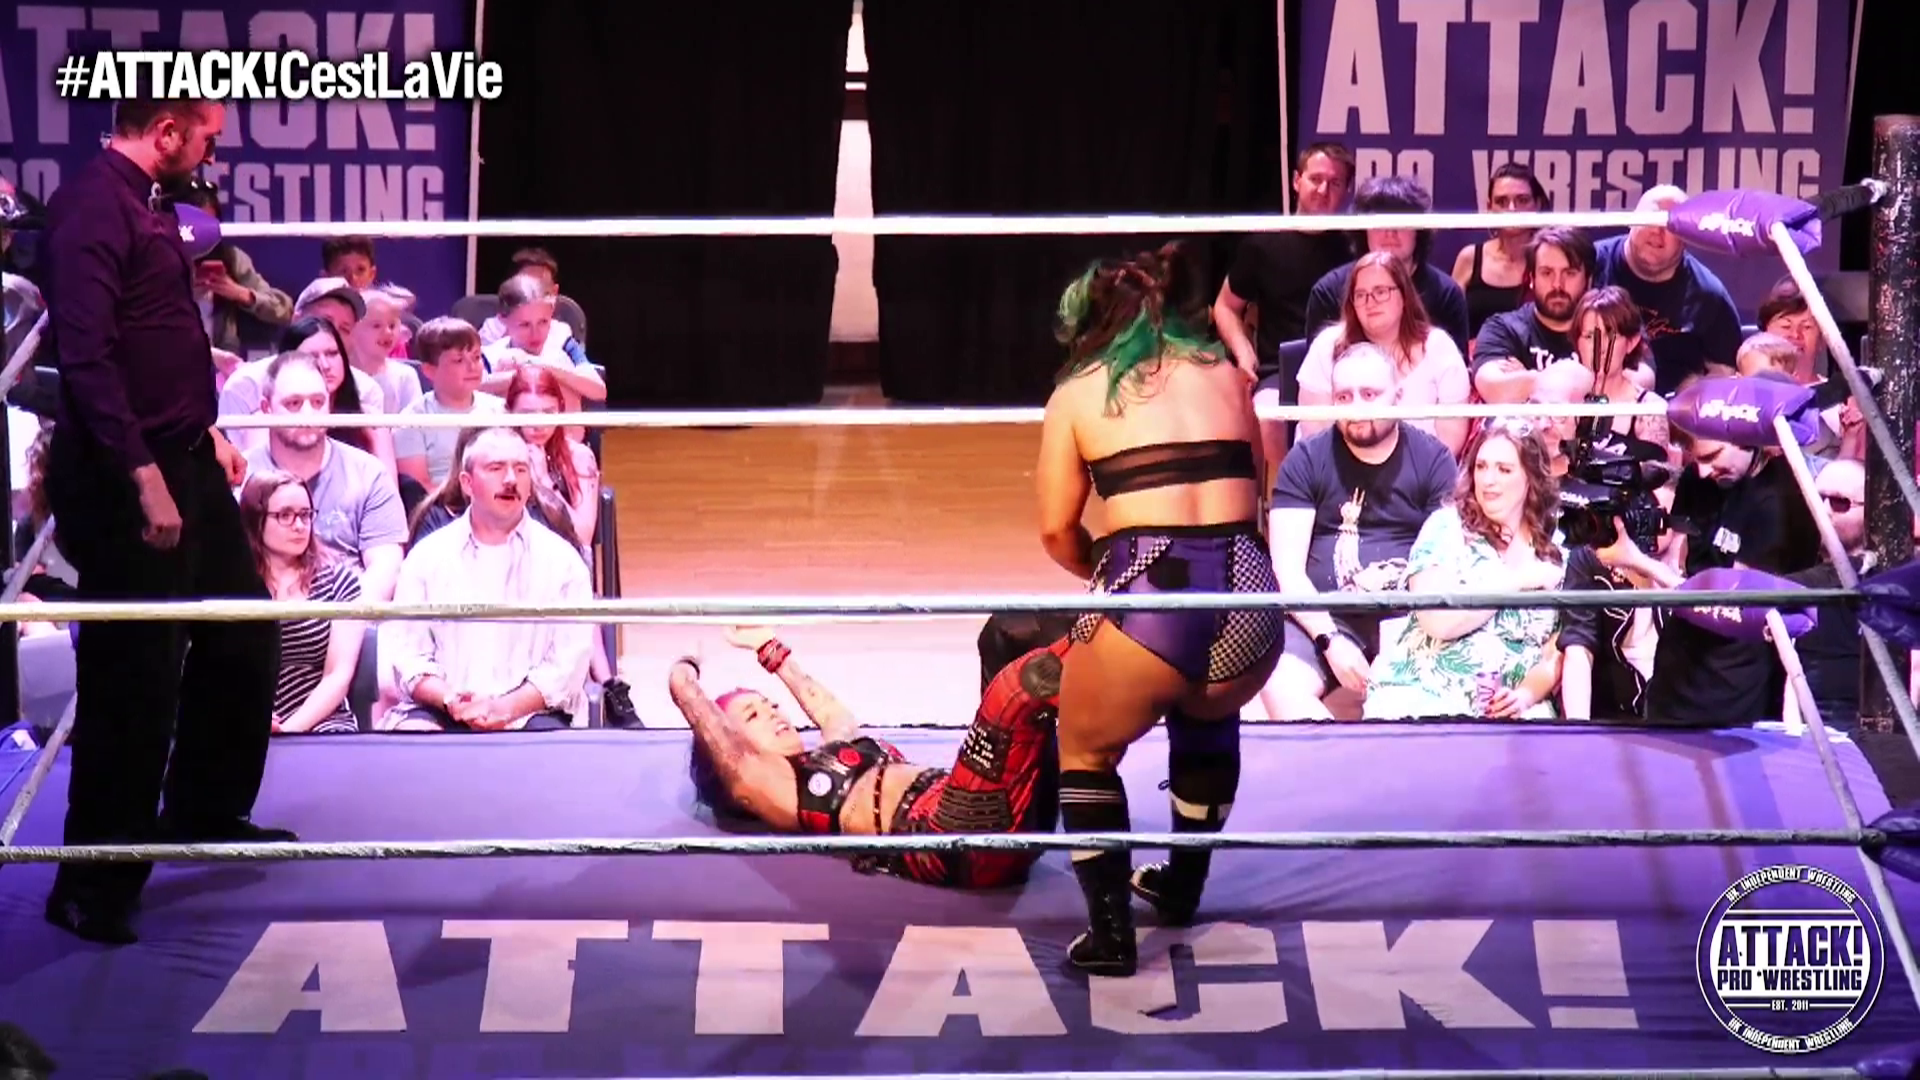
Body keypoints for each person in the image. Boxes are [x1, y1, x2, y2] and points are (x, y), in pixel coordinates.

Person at [39, 99, 293, 946]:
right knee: (135, 678)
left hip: (185, 455)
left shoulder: (146, 201)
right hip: (127, 473)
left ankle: (203, 810)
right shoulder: (91, 209)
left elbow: (156, 333)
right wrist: (145, 476)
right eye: (208, 138)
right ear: (168, 130)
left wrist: (203, 431)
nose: (214, 154)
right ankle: (91, 885)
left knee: (241, 632)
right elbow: (87, 358)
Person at [1036, 242, 1284, 977]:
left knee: (1085, 750)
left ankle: (1111, 936)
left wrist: (1106, 573)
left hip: (1151, 594)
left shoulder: (1079, 392)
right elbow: (1258, 498)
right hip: (1249, 597)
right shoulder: (1229, 376)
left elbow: (1055, 530)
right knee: (1210, 709)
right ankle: (1182, 888)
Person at [668, 627, 1069, 889]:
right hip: (956, 838)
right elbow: (710, 727)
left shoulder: (833, 756)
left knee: (1009, 635)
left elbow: (829, 711)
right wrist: (682, 673)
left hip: (1001, 817)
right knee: (1018, 687)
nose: (774, 713)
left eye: (770, 704)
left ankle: (1108, 628)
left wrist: (768, 647)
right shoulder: (777, 790)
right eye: (753, 716)